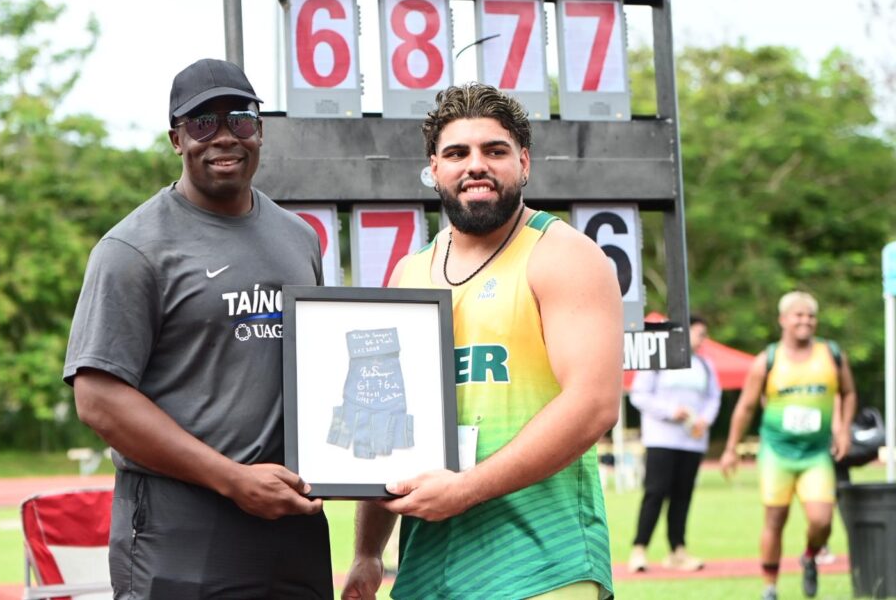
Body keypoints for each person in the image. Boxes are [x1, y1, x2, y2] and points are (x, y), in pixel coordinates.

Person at [341, 83, 623, 600]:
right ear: (434, 167)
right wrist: (367, 553)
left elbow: (594, 404)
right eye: (457, 153)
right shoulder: (409, 273)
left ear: (524, 162)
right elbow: (386, 421)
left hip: (542, 564)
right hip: (430, 566)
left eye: (494, 150)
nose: (476, 165)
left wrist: (464, 490)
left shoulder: (563, 255)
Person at [63, 59, 332, 599]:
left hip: (291, 521)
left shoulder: (298, 237)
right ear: (176, 139)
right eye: (202, 123)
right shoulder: (132, 249)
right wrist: (233, 479)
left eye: (240, 118)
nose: (225, 136)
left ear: (261, 129)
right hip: (178, 523)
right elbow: (97, 399)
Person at [721, 291, 856, 600]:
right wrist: (731, 448)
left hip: (816, 452)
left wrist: (844, 430)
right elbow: (745, 407)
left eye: (810, 315)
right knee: (775, 519)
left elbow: (848, 393)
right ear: (783, 320)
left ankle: (810, 556)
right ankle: (770, 586)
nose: (805, 320)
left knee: (822, 521)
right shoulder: (767, 360)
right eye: (798, 315)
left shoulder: (832, 354)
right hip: (777, 453)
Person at [627, 315, 722, 573]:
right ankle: (639, 548)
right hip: (662, 439)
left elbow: (714, 397)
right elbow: (639, 395)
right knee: (655, 493)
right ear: (683, 333)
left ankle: (677, 550)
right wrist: (670, 410)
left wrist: (705, 419)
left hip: (692, 442)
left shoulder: (704, 365)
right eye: (699, 333)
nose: (703, 339)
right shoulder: (658, 360)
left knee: (683, 496)